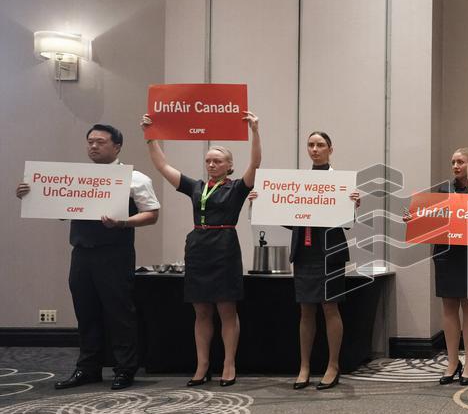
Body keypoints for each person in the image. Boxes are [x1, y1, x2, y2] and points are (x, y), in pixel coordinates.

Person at [15, 124, 160, 391]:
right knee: (86, 311)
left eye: (100, 142)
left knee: (119, 312)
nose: (93, 146)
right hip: (81, 253)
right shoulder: (76, 179)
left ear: (117, 146)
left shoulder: (135, 178)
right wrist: (31, 194)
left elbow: (151, 214)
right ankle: (87, 368)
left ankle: (124, 369)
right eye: (90, 142)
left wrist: (123, 223)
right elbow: (60, 209)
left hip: (114, 253)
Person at [141, 112, 261, 387]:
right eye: (208, 160)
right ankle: (202, 365)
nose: (211, 164)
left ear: (230, 165)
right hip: (198, 248)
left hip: (225, 248)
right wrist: (150, 135)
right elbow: (162, 166)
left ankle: (229, 364)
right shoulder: (196, 186)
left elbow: (256, 162)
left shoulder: (238, 188)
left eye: (217, 160)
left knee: (226, 310)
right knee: (201, 312)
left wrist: (255, 131)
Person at [248, 131, 360, 390]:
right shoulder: (298, 182)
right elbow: (290, 218)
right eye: (310, 145)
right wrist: (262, 202)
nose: (315, 149)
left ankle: (333, 366)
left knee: (330, 308)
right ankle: (305, 367)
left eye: (320, 145)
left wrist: (354, 204)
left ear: (330, 149)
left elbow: (346, 223)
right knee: (306, 310)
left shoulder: (340, 182)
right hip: (304, 253)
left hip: (329, 252)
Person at [407, 148, 468, 386]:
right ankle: (453, 361)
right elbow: (430, 219)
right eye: (452, 162)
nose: (455, 165)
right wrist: (414, 219)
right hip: (445, 255)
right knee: (449, 307)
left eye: (460, 162)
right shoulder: (443, 190)